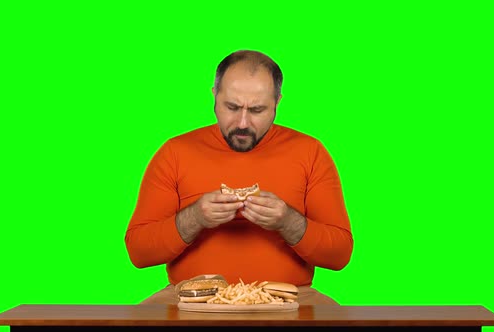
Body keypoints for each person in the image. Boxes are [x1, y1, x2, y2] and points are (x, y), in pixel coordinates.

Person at [124, 50, 353, 305]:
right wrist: (195, 217)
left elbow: (340, 254)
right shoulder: (174, 153)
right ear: (214, 95)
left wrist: (288, 221)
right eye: (232, 107)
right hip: (189, 298)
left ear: (277, 102)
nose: (242, 123)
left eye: (257, 110)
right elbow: (139, 252)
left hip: (291, 299)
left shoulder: (311, 153)